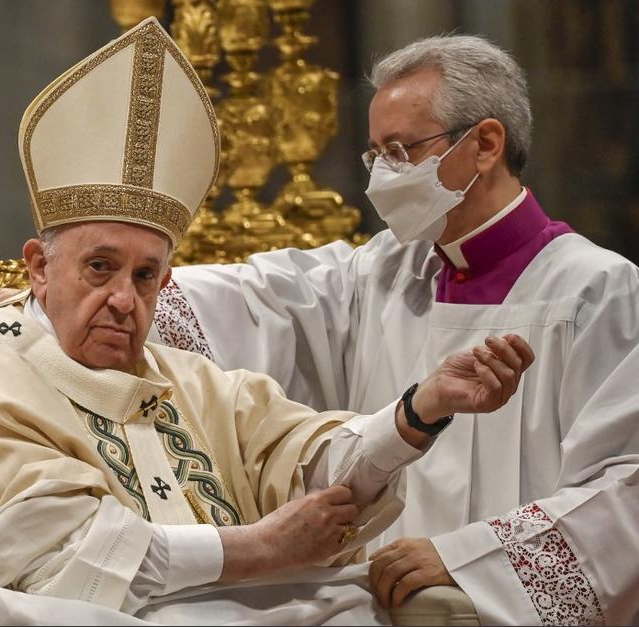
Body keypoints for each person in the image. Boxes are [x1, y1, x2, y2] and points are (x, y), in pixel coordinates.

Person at [0, 20, 532, 625]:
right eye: (99, 268)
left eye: (146, 277)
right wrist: (258, 548)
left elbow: (305, 458)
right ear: (37, 267)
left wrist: (417, 412)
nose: (124, 299)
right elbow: (53, 563)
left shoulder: (186, 379)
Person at [157, 34, 639, 625]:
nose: (382, 177)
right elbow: (262, 297)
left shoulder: (601, 291)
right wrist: (78, 288)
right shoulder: (386, 268)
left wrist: (467, 559)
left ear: (485, 143)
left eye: (400, 150)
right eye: (374, 155)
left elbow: (626, 490)